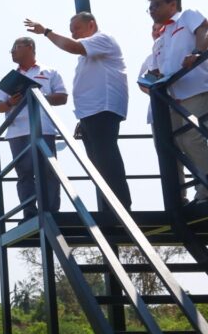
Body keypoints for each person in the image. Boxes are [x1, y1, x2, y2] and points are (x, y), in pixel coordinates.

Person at [25, 13, 132, 212]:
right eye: (71, 30)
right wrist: (83, 118)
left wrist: (46, 32)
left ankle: (121, 207)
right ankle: (110, 207)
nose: (73, 34)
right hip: (91, 114)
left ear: (91, 24)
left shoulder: (102, 39)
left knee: (106, 160)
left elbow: (73, 48)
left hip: (103, 109)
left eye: (77, 28)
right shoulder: (90, 51)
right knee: (97, 164)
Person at [147, 0, 208, 203]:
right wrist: (149, 79)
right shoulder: (160, 39)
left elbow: (205, 30)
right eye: (150, 8)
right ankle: (195, 192)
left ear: (173, 4)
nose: (152, 10)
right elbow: (155, 71)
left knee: (191, 138)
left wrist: (197, 52)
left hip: (197, 89)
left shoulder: (188, 15)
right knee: (176, 144)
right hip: (173, 99)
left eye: (157, 5)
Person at [0, 37, 68, 219]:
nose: (12, 52)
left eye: (15, 47)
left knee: (49, 172)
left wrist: (37, 97)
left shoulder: (49, 72)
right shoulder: (10, 78)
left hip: (44, 130)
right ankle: (30, 213)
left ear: (29, 47)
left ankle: (52, 212)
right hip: (18, 132)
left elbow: (63, 97)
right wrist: (11, 102)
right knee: (25, 174)